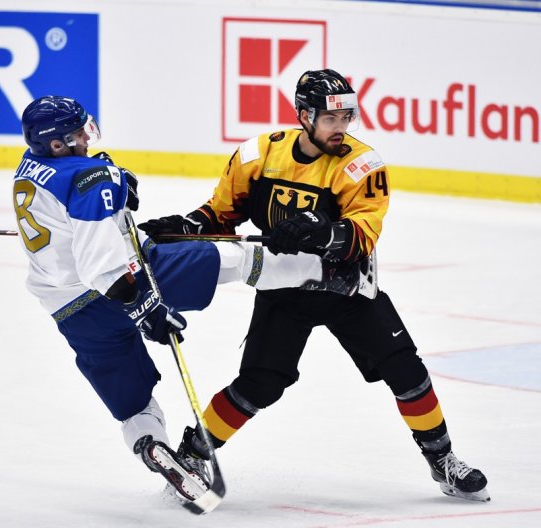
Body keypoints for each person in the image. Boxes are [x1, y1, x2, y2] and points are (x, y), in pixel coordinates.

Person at [138, 69, 490, 502]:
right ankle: (194, 452)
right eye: (331, 119)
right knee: (259, 385)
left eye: (347, 118)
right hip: (285, 290)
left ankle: (443, 460)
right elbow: (221, 214)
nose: (341, 128)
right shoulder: (258, 154)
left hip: (347, 290)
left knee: (407, 372)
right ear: (304, 116)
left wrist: (320, 230)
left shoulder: (362, 164)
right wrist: (187, 226)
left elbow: (362, 234)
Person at [13, 95, 338, 504]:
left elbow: (67, 221)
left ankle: (151, 445)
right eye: (76, 133)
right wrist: (145, 309)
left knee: (134, 404)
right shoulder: (87, 179)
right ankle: (327, 273)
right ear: (57, 144)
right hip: (125, 284)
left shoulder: (31, 168)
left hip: (71, 312)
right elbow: (101, 263)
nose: (85, 136)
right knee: (231, 255)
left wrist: (114, 184)